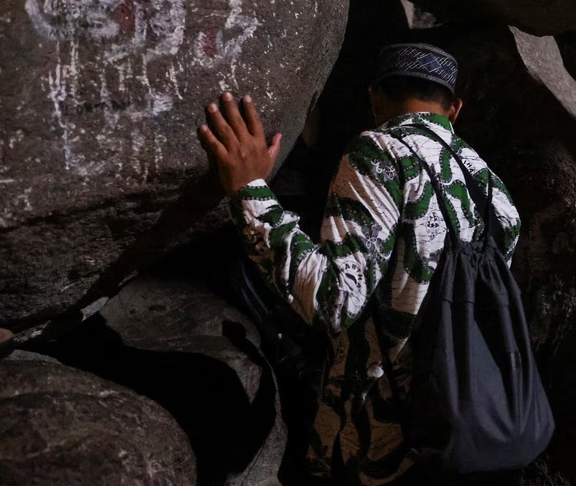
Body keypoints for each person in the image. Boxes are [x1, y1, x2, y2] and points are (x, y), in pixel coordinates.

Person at [197, 43, 522, 486]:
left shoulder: (381, 154)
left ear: (373, 99)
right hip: (465, 429)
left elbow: (334, 300)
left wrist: (250, 191)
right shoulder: (492, 188)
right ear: (456, 108)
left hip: (380, 447)